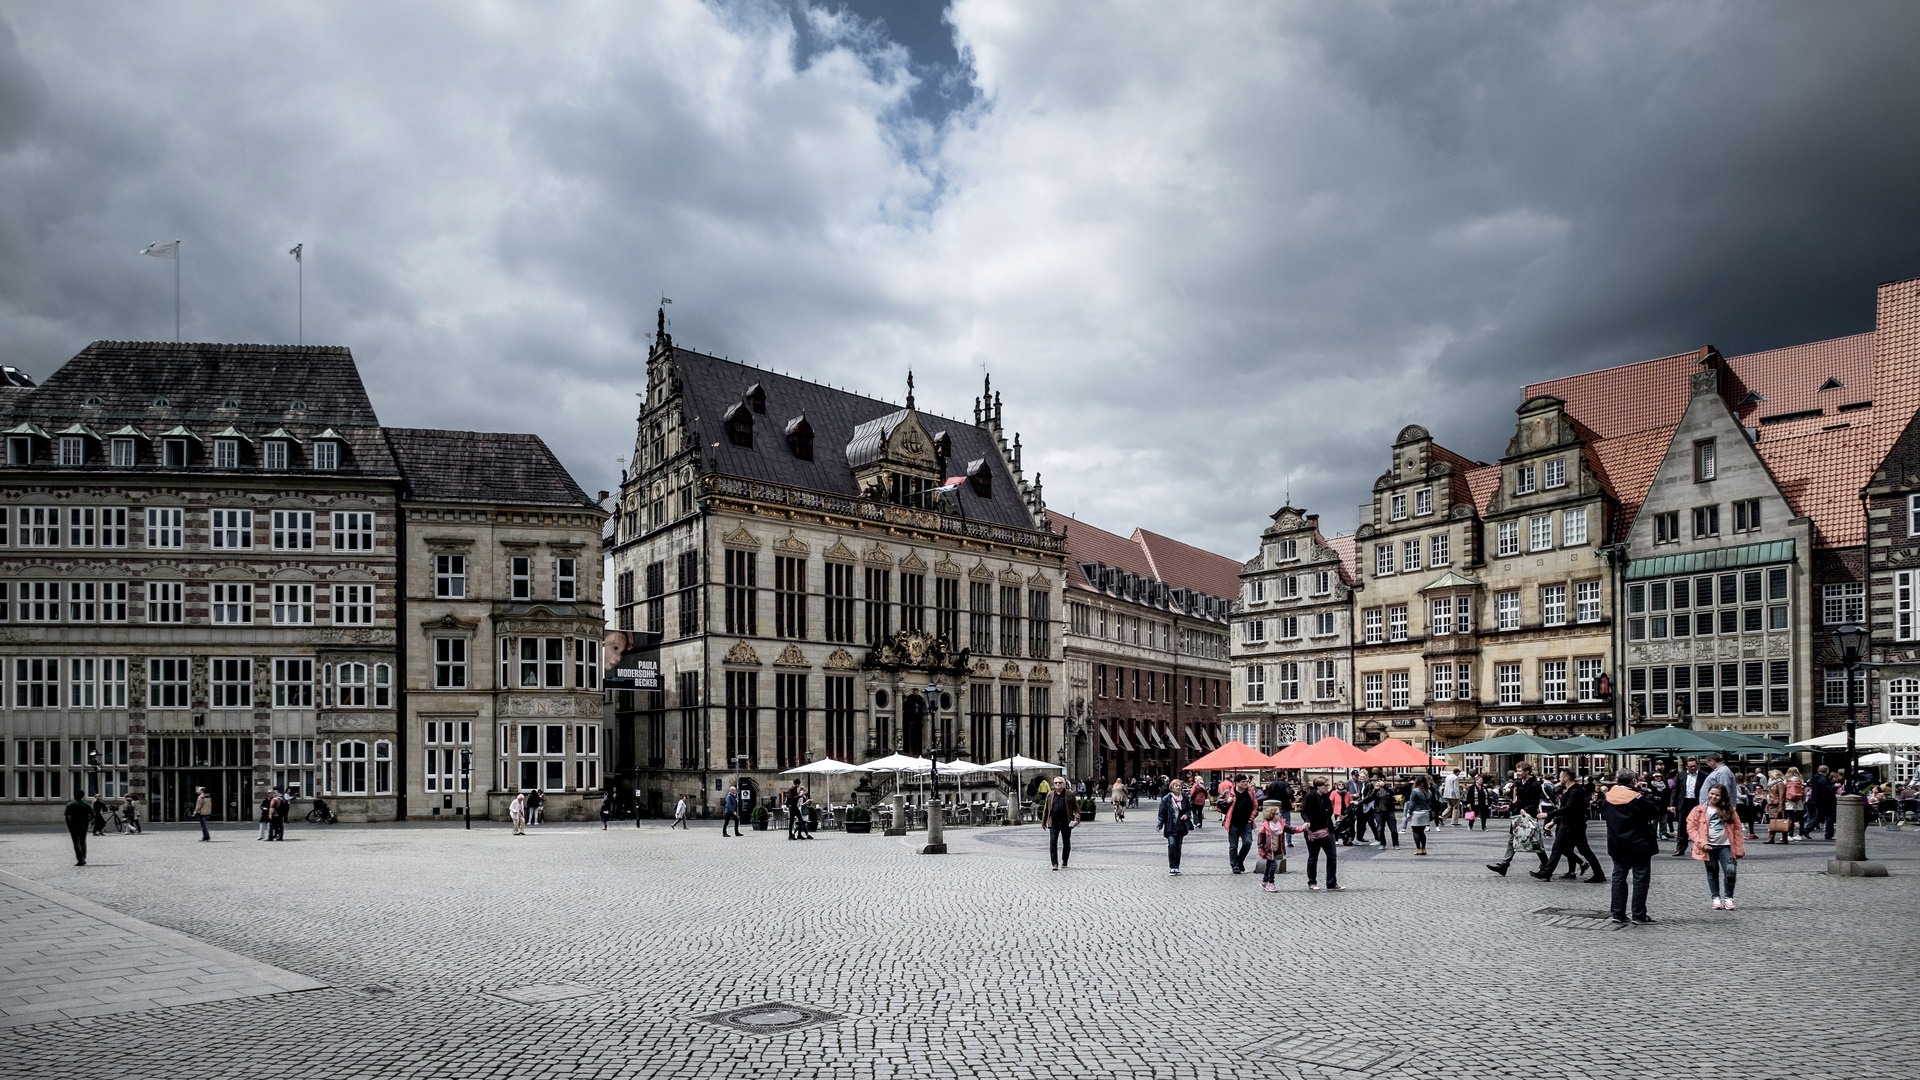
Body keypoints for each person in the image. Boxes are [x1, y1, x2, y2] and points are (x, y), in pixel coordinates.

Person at [1601, 770, 1662, 924]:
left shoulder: (1608, 796)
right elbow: (1654, 812)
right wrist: (1646, 795)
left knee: (1619, 877)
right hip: (1638, 842)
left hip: (1616, 842)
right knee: (1640, 878)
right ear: (1633, 780)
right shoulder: (1637, 798)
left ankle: (1618, 913)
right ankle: (1639, 914)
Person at [1535, 770, 1605, 882]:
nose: (1559, 779)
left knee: (1584, 850)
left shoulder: (1576, 791)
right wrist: (1555, 821)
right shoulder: (1569, 791)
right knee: (1557, 848)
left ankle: (1599, 874)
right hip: (1566, 824)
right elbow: (1565, 810)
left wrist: (1548, 815)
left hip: (1576, 825)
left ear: (1566, 778)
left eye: (1561, 777)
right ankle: (1546, 873)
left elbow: (1569, 808)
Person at [1690, 783, 1745, 910]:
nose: (1714, 797)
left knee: (1731, 871)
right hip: (1708, 846)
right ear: (1708, 793)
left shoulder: (1730, 810)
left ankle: (1729, 898)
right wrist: (1701, 843)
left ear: (1722, 796)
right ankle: (1715, 897)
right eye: (1712, 794)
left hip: (1726, 846)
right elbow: (1691, 828)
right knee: (1712, 872)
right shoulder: (1699, 809)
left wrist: (1738, 847)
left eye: (1717, 795)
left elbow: (1737, 829)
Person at [1486, 762, 1546, 876]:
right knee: (1513, 839)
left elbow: (1534, 802)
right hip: (1519, 816)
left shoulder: (1535, 784)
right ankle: (1504, 865)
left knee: (1534, 841)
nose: (1517, 773)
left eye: (1520, 771)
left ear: (1527, 771)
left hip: (1528, 816)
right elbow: (1519, 802)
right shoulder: (1519, 783)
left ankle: (1545, 864)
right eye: (1517, 771)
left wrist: (1526, 809)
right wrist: (1509, 806)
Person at [1299, 776, 1342, 891]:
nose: (1328, 787)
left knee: (1332, 856)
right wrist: (1307, 821)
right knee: (1313, 857)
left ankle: (1332, 882)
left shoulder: (1326, 797)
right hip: (1313, 831)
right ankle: (1312, 882)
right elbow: (1303, 811)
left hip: (1327, 830)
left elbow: (1329, 811)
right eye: (1325, 785)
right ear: (1318, 786)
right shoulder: (1310, 797)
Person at [1156, 779, 1191, 876]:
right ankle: (1172, 867)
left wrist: (1186, 815)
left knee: (1178, 847)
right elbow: (1162, 813)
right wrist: (1160, 825)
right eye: (1176, 786)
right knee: (1172, 845)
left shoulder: (1185, 797)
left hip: (1181, 826)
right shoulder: (1166, 799)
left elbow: (1188, 809)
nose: (1178, 787)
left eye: (1180, 786)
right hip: (1171, 826)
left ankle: (1177, 866)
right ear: (1172, 788)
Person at [1670, 758, 1703, 856]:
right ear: (1686, 766)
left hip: (1697, 802)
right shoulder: (1681, 775)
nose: (1693, 768)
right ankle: (1681, 848)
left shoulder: (1703, 775)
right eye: (1691, 766)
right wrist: (1672, 804)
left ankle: (1698, 847)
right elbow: (1675, 790)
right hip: (1684, 802)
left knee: (1699, 826)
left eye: (1695, 766)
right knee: (1682, 826)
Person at [1046, 775, 1079, 870]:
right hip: (1054, 822)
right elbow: (1046, 809)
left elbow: (1076, 809)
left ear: (1064, 784)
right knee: (1053, 842)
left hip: (1066, 822)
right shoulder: (1050, 795)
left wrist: (1076, 819)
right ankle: (1054, 863)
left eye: (1060, 783)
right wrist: (1044, 822)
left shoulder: (1070, 794)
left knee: (1066, 842)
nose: (1057, 784)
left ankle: (1065, 860)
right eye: (1056, 783)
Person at [1224, 777, 1256, 873]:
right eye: (1243, 782)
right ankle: (1234, 865)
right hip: (1233, 823)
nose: (1246, 784)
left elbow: (1255, 806)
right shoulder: (1229, 792)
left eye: (1246, 782)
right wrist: (1227, 801)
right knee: (1233, 846)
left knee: (1248, 842)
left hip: (1246, 823)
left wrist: (1251, 819)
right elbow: (1219, 804)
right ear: (1237, 783)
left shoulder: (1249, 793)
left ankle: (1240, 860)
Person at [1404, 775, 1437, 855]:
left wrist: (1409, 813)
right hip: (1425, 812)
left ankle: (1418, 848)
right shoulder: (1428, 791)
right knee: (1422, 832)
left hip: (1417, 812)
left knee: (1415, 831)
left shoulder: (1415, 791)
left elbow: (1412, 804)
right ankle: (1424, 848)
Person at [1806, 765, 1837, 840]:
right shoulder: (1822, 779)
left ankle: (1806, 830)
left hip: (1818, 800)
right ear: (1827, 770)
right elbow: (1828, 789)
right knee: (1829, 817)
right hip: (1825, 800)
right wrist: (1835, 787)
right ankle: (1829, 834)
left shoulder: (1815, 778)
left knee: (1819, 816)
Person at [64, 792, 92, 865]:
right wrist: (88, 820)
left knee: (76, 843)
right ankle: (83, 857)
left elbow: (67, 816)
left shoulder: (70, 805)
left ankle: (80, 859)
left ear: (74, 796)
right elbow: (93, 814)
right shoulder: (86, 805)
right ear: (83, 796)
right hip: (83, 826)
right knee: (83, 842)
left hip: (74, 826)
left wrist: (69, 824)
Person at [1369, 779, 1399, 848]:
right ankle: (1382, 843)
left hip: (1389, 811)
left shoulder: (1388, 788)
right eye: (1379, 781)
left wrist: (1385, 786)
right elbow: (1370, 797)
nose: (1380, 782)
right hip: (1379, 812)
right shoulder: (1376, 790)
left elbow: (1393, 793)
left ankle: (1396, 844)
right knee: (1380, 829)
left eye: (1382, 780)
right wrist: (1375, 790)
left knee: (1393, 829)